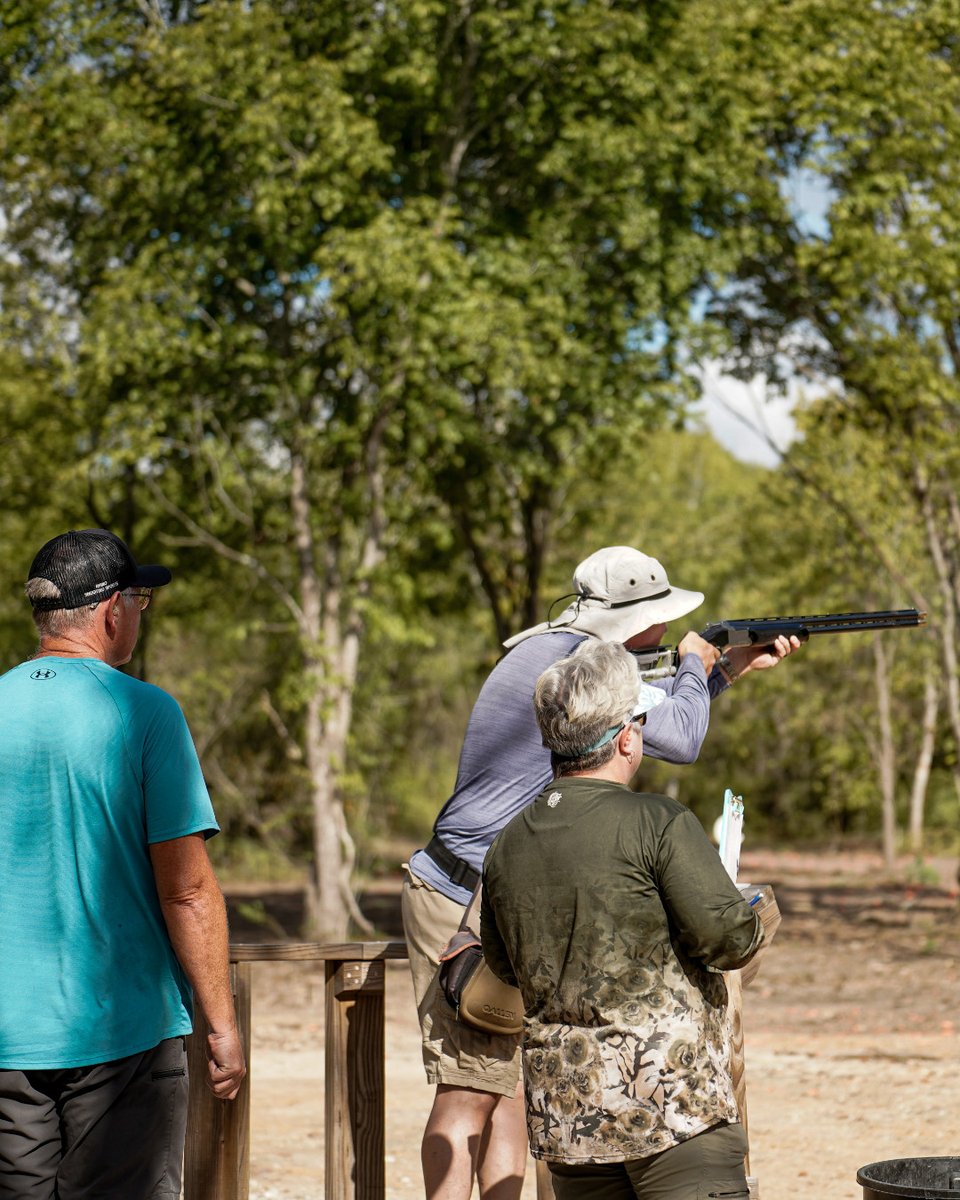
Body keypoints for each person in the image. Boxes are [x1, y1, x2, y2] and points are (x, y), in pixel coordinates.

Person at [401, 545, 798, 1200]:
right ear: (626, 619)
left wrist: (719, 673)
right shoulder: (574, 665)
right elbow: (676, 737)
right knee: (470, 1085)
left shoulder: (563, 654)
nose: (666, 635)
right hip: (461, 888)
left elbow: (637, 720)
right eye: (659, 622)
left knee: (512, 1086)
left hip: (506, 883)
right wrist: (698, 666)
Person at [0, 528, 245, 1200]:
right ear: (113, 611)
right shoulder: (144, 714)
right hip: (122, 1036)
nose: (140, 614)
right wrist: (221, 1022)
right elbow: (188, 892)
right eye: (140, 599)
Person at [480, 639, 765, 1200]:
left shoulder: (506, 844)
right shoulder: (658, 821)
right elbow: (729, 939)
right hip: (674, 1112)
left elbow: (504, 965)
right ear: (628, 737)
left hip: (569, 1118)